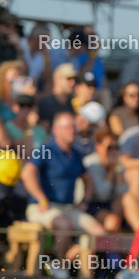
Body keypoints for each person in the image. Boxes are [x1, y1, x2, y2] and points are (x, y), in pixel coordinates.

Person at [20, 111, 106, 270]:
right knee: (64, 226)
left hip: (68, 208)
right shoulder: (46, 149)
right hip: (43, 206)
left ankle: (63, 266)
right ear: (56, 130)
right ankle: (60, 270)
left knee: (99, 234)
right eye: (67, 128)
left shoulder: (75, 153)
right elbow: (27, 173)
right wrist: (41, 198)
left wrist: (85, 201)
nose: (71, 131)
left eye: (73, 127)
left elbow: (88, 178)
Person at [36, 63, 77, 129]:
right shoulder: (46, 103)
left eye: (75, 79)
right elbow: (43, 130)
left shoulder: (72, 102)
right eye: (69, 79)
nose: (73, 82)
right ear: (57, 80)